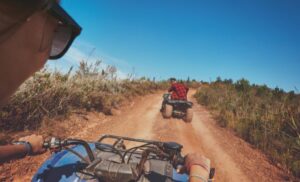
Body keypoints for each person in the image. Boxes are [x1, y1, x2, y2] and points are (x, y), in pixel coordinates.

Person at [0, 1, 211, 181]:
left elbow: (171, 93)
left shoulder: (173, 87)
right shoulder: (181, 87)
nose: (45, 56)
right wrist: (199, 172)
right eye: (57, 33)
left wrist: (26, 148)